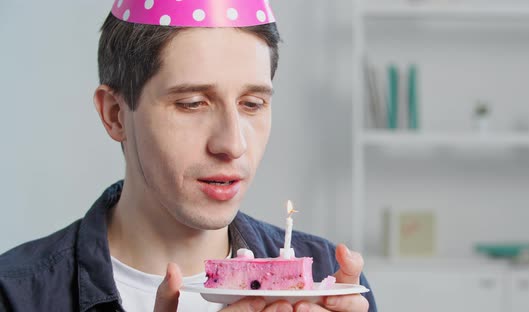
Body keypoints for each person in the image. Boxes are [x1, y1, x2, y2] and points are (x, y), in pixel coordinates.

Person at [0, 1, 376, 311]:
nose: (232, 144)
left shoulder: (328, 284)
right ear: (115, 114)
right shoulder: (15, 295)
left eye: (252, 104)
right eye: (193, 103)